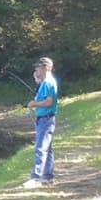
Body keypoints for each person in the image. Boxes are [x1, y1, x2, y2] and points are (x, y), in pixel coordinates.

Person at [23, 56, 59, 187]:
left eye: (38, 67)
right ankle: (48, 177)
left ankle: (36, 178)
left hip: (46, 120)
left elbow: (49, 102)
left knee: (41, 149)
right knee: (47, 150)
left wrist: (35, 104)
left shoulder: (49, 82)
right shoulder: (45, 82)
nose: (36, 69)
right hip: (44, 119)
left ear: (45, 67)